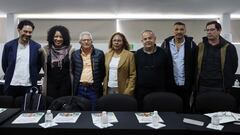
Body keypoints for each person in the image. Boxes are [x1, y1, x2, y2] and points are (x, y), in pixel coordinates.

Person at [161, 22, 197, 112]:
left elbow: (195, 64)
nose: (179, 31)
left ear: (185, 31)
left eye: (181, 29)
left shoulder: (192, 45)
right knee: (171, 108)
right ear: (173, 31)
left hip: (186, 85)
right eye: (176, 29)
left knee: (185, 108)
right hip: (170, 84)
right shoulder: (165, 44)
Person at [195, 21, 238, 95]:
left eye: (212, 30)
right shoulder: (200, 46)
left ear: (219, 30)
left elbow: (233, 66)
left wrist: (228, 82)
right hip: (202, 85)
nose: (209, 32)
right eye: (207, 30)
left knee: (219, 106)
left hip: (220, 86)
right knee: (202, 106)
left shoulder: (229, 47)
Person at [1, 20, 41, 97]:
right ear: (19, 30)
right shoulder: (9, 46)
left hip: (29, 85)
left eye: (30, 32)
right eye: (25, 31)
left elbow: (37, 66)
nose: (27, 34)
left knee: (27, 108)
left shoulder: (36, 47)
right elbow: (4, 64)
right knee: (10, 107)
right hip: (11, 84)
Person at [135, 30, 169, 110]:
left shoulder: (163, 53)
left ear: (154, 39)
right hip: (141, 92)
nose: (148, 40)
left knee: (159, 112)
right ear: (142, 41)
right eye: (145, 39)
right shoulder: (137, 54)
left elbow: (168, 71)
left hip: (159, 90)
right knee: (142, 114)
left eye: (150, 38)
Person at [72, 31, 105, 110]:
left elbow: (103, 71)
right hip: (79, 88)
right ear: (80, 42)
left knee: (94, 111)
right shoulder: (75, 54)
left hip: (94, 89)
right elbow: (73, 70)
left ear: (92, 41)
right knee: (80, 112)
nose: (86, 42)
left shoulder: (99, 54)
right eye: (84, 40)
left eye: (88, 40)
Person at [40, 25, 75, 99]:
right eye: (56, 36)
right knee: (51, 105)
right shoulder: (45, 50)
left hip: (66, 85)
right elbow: (42, 66)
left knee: (65, 107)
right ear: (51, 37)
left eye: (61, 37)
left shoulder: (71, 50)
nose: (58, 39)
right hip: (50, 85)